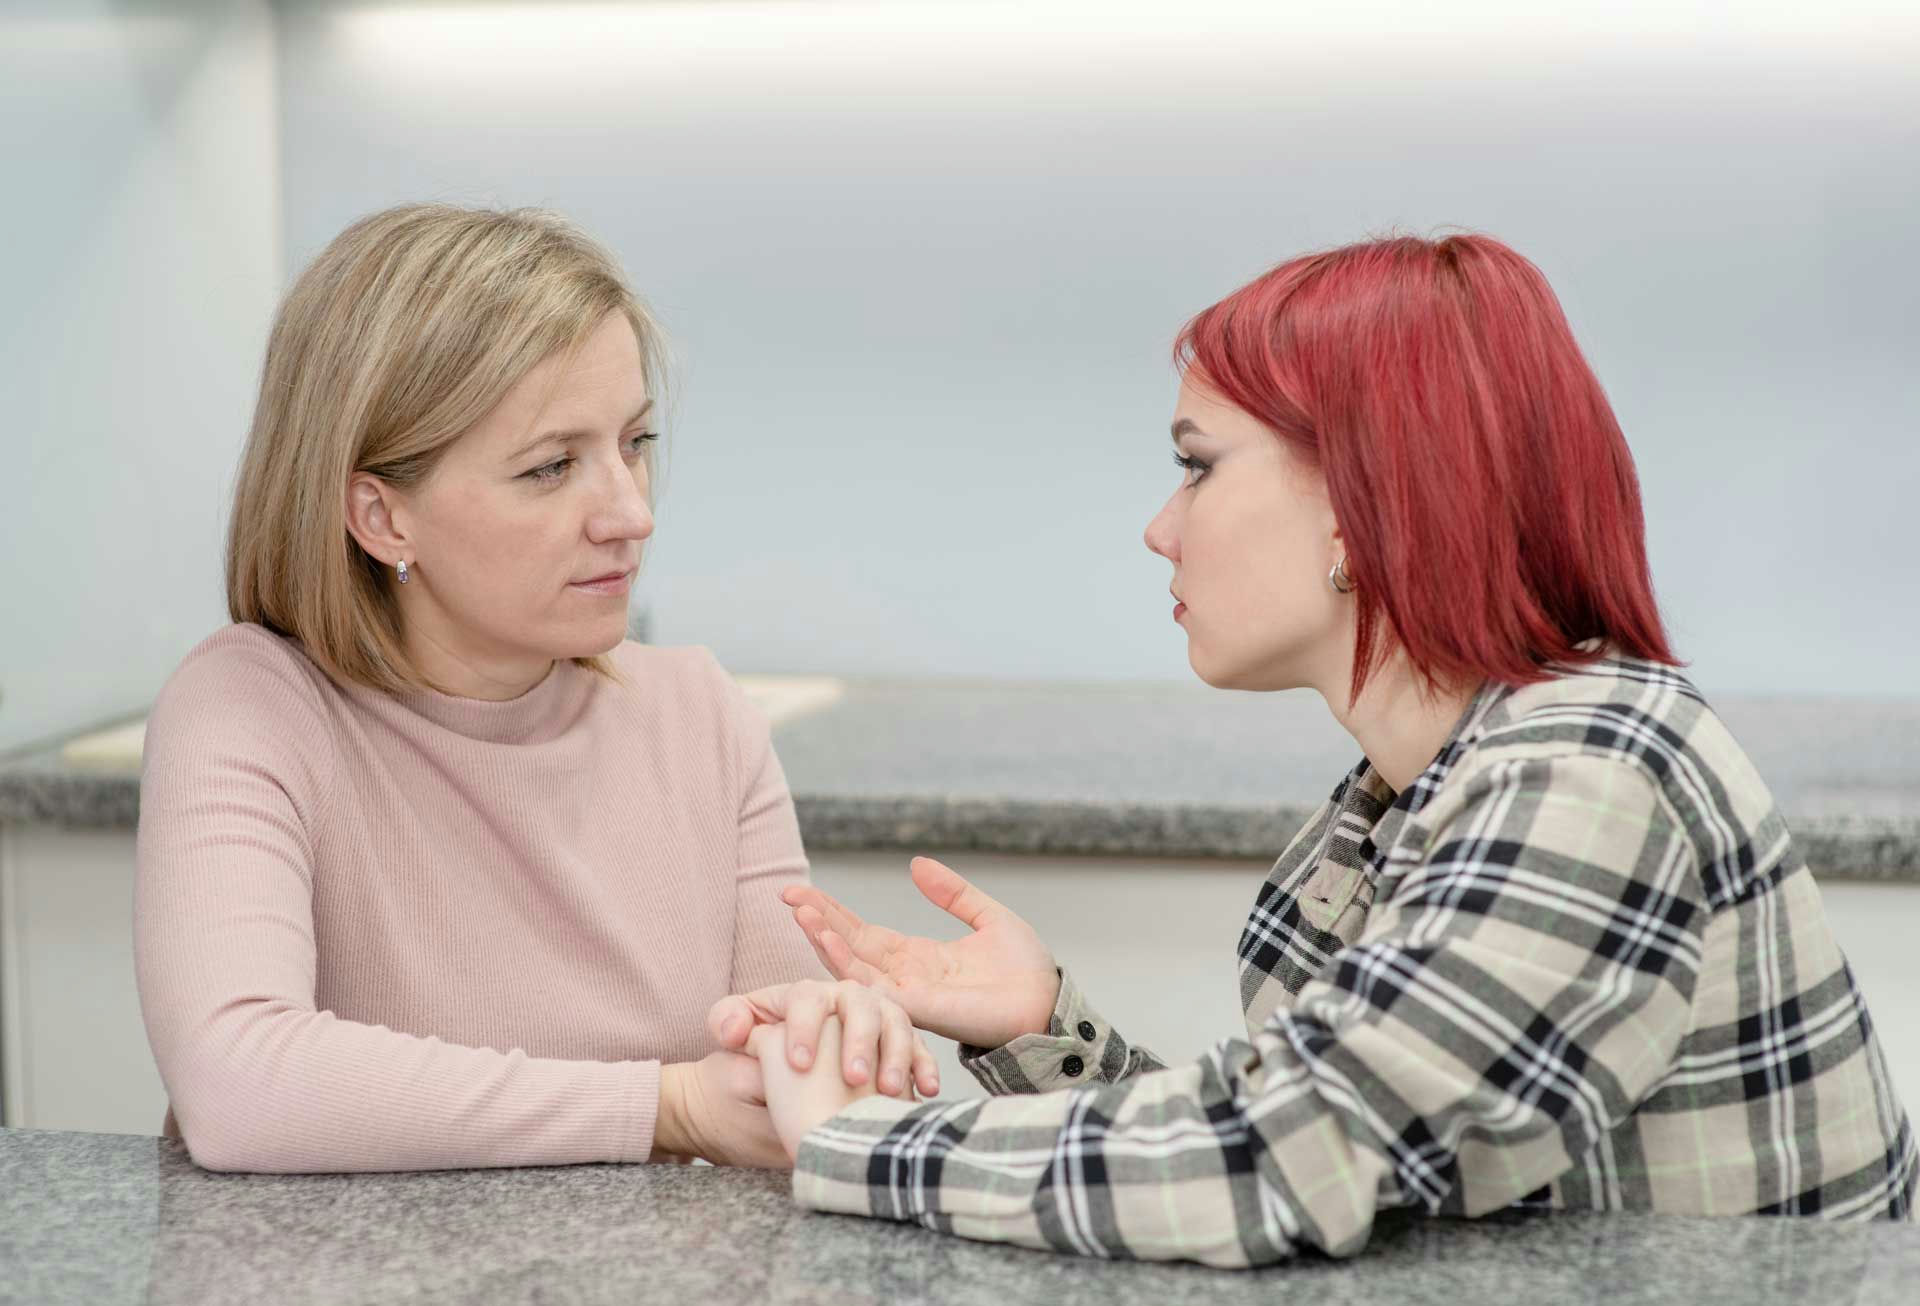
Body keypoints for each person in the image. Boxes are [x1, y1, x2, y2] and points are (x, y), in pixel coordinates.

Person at [723, 234, 1918, 1265]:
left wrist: (859, 1144)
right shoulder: (1434, 779)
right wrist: (1037, 1029)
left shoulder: (1589, 780)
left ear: (1362, 495)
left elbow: (1285, 1163)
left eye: (1196, 465)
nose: (1158, 526)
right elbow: (1335, 1137)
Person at [133, 203, 930, 1174]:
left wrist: (835, 1037)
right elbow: (239, 1085)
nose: (630, 513)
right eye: (551, 468)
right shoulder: (250, 708)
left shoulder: (699, 713)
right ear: (381, 517)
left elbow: (788, 1068)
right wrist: (663, 1103)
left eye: (635, 443)